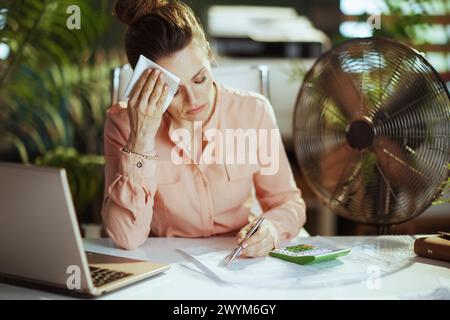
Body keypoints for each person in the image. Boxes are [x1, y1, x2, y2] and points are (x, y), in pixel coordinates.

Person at [102, 0, 307, 257]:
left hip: (238, 262)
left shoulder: (254, 112)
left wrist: (272, 230)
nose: (194, 99)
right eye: (173, 91)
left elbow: (287, 202)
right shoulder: (123, 124)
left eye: (199, 79)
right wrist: (141, 140)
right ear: (145, 86)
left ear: (209, 55)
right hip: (165, 268)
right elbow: (126, 237)